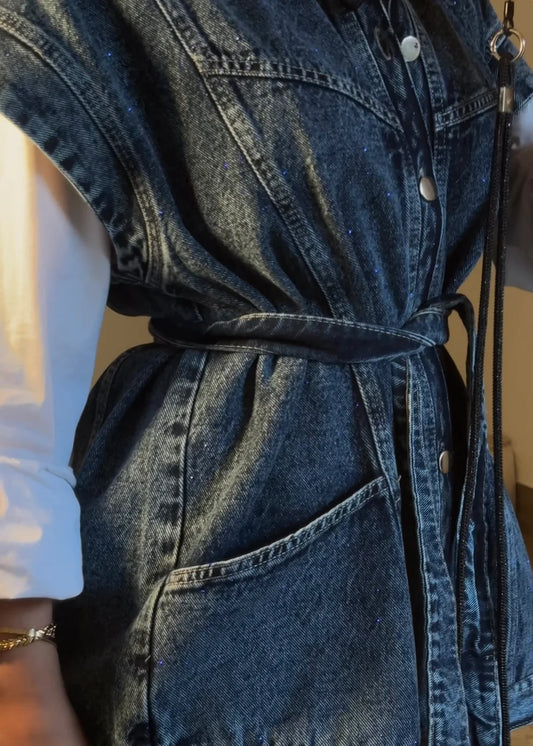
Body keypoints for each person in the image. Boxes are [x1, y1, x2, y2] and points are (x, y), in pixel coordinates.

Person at [0, 1, 532, 744]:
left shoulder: (449, 14)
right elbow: (14, 391)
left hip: (439, 572)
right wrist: (18, 685)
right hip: (224, 602)